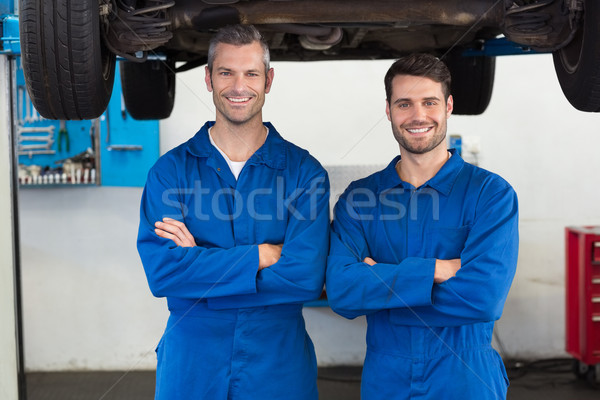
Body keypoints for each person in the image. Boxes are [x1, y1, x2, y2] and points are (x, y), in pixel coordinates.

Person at [137, 24, 330, 400]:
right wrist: (260, 255)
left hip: (277, 360)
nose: (238, 86)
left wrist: (199, 266)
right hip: (193, 361)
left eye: (251, 73)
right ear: (208, 78)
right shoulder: (170, 171)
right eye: (226, 72)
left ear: (268, 80)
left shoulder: (304, 173)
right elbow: (163, 274)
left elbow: (305, 278)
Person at [326, 53, 519, 399]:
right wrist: (438, 270)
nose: (418, 116)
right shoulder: (360, 198)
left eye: (429, 102)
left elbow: (484, 298)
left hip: (465, 376)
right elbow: (341, 292)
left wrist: (381, 284)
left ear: (448, 106)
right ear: (388, 110)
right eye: (404, 104)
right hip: (387, 381)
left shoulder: (490, 194)